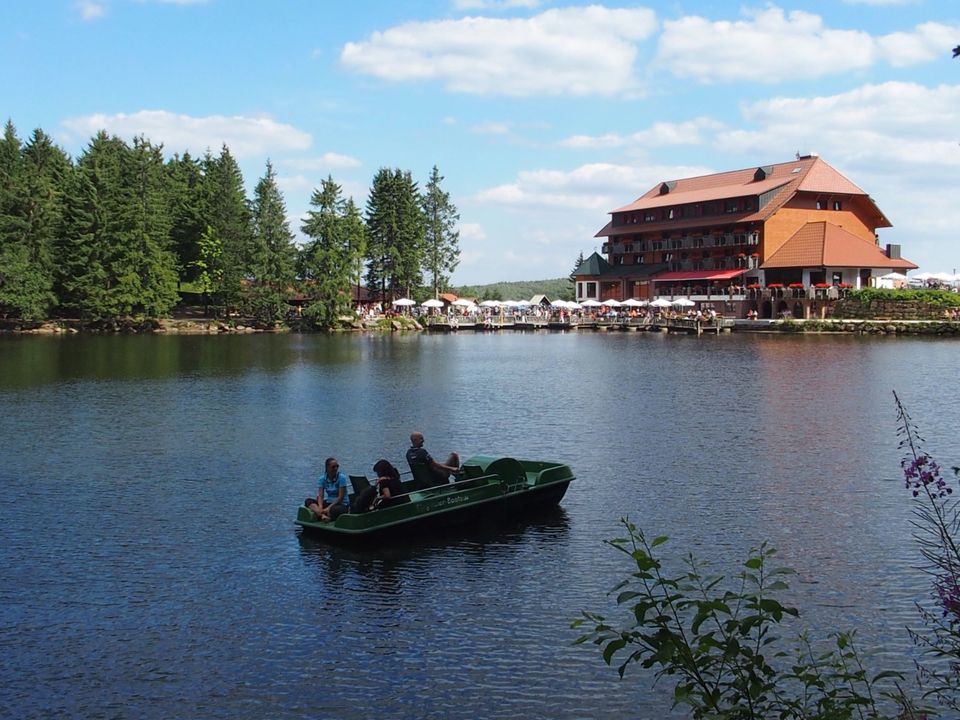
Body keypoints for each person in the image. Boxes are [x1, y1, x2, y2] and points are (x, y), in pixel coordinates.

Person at [305, 456, 349, 521]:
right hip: (329, 501)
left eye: (337, 466)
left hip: (341, 504)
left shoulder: (342, 478)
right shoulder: (322, 479)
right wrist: (320, 507)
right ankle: (322, 515)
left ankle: (323, 514)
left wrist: (328, 508)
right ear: (327, 468)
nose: (336, 468)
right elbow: (320, 496)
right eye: (333, 467)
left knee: (333, 510)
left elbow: (340, 497)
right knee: (308, 501)